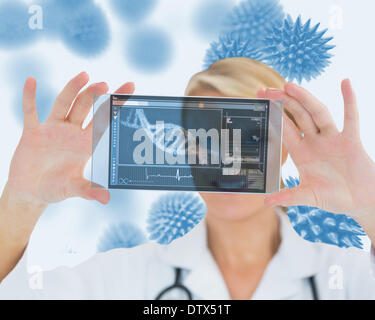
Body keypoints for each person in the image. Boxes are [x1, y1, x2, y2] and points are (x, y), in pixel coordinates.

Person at [1, 57, 375, 300]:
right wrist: (20, 203)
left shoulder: (349, 278)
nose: (225, 159)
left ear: (286, 148)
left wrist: (370, 206)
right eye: (204, 138)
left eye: (248, 135)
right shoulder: (124, 279)